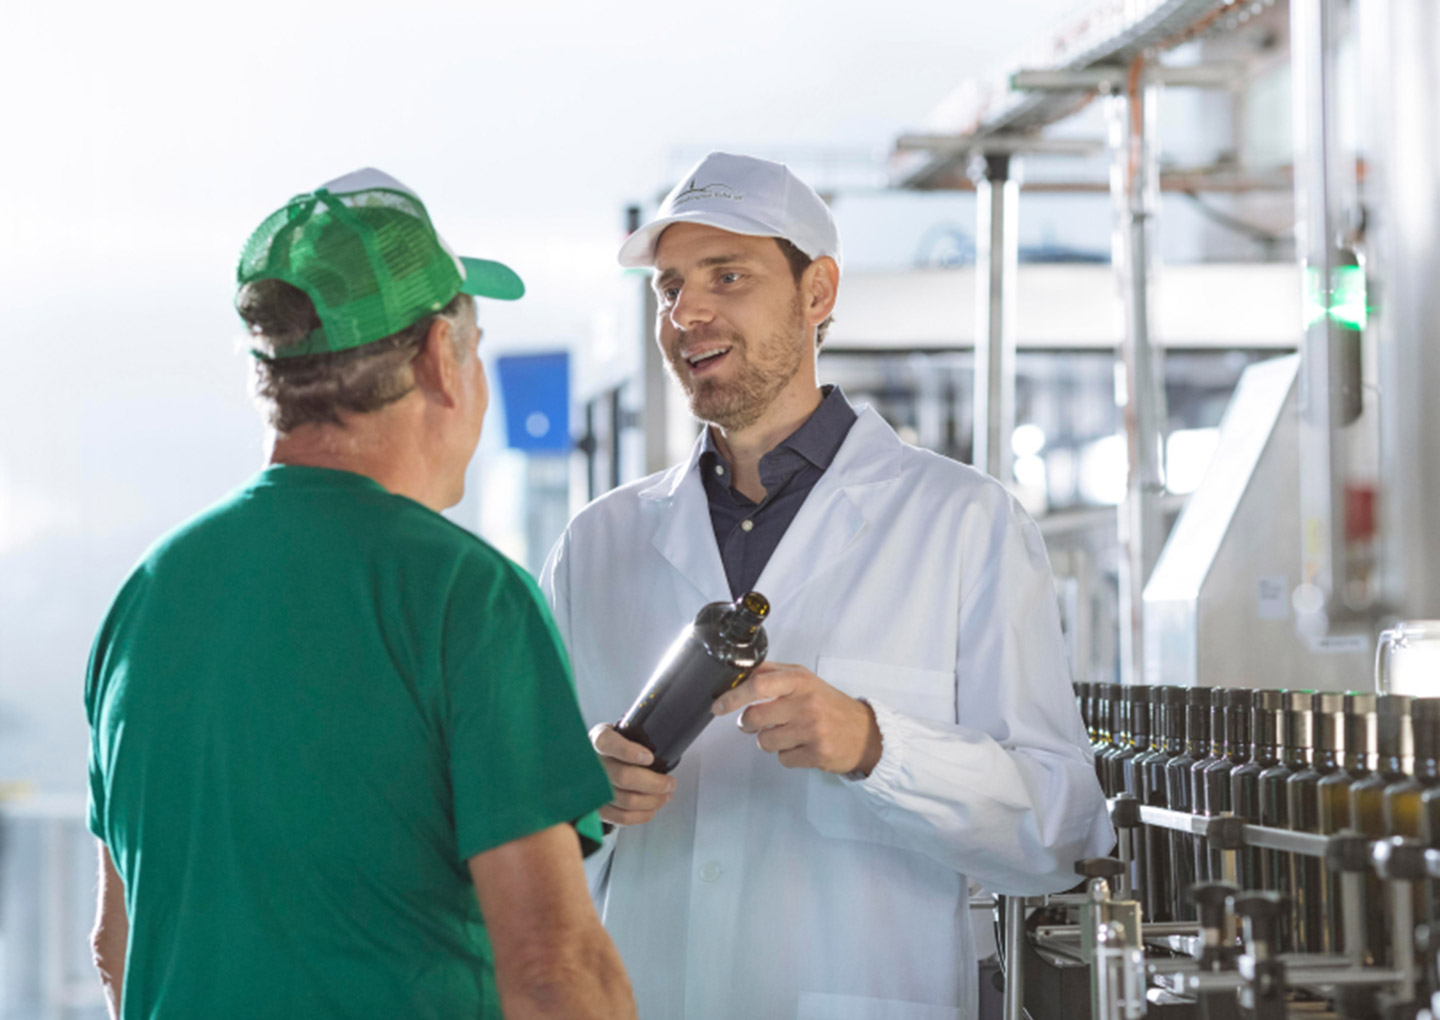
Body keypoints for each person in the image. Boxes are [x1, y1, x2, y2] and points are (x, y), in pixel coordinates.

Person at [539, 152, 1113, 1019]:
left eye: (727, 276)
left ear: (818, 293)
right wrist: (580, 793)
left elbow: (1062, 833)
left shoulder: (964, 522)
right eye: (669, 288)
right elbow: (530, 835)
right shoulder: (598, 543)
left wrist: (877, 746)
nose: (686, 313)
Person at [84, 168, 635, 1020]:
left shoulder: (146, 598)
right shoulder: (467, 595)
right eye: (476, 345)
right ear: (440, 357)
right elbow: (552, 974)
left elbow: (116, 945)